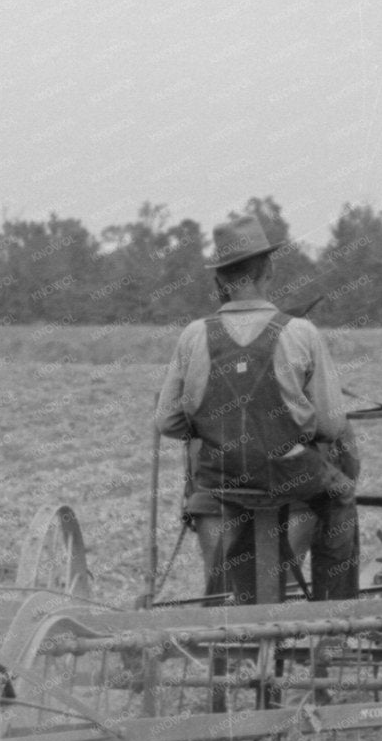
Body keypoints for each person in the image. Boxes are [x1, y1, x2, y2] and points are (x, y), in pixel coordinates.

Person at [154, 210, 361, 603]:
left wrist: (206, 428)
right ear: (269, 270)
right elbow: (333, 425)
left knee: (239, 509)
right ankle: (334, 612)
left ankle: (245, 616)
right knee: (340, 496)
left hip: (224, 475)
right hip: (290, 471)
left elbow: (167, 421)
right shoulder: (301, 332)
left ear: (220, 280)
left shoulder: (193, 335)